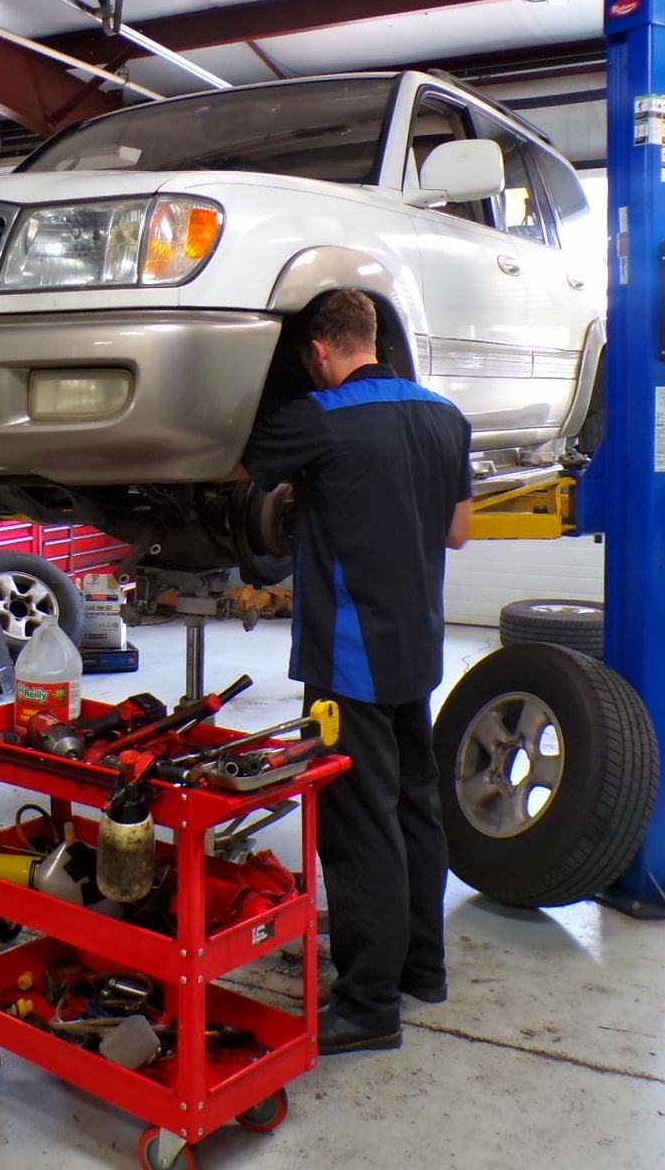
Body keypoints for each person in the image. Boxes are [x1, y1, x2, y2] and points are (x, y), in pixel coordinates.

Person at [239, 289, 472, 1054]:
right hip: (417, 645)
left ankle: (369, 1003)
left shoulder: (319, 414)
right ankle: (421, 968)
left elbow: (248, 467)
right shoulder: (445, 416)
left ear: (317, 351)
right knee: (414, 804)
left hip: (350, 658)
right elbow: (458, 531)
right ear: (373, 336)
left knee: (356, 823)